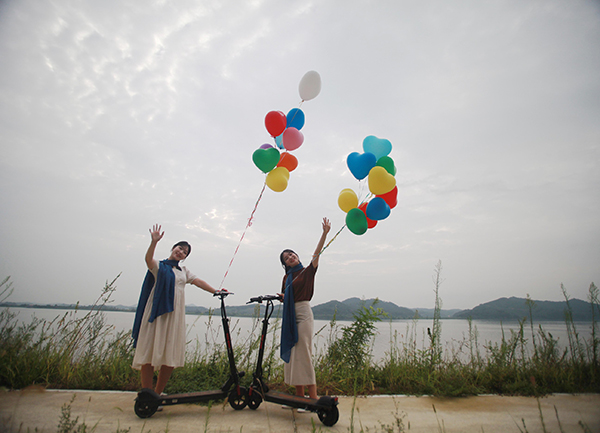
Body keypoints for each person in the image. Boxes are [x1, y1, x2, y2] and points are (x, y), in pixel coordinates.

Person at [132, 224, 217, 395]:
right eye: (180, 248)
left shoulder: (183, 271)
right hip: (155, 316)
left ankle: (157, 394)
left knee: (169, 355)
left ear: (185, 257)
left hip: (174, 317)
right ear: (173, 248)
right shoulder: (160, 266)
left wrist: (216, 291)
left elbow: (198, 281)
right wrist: (153, 242)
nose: (181, 252)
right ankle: (146, 395)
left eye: (185, 252)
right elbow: (148, 260)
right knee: (148, 352)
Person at [279, 217, 331, 400]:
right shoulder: (287, 278)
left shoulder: (307, 271)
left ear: (297, 256)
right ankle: (299, 397)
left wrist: (324, 233)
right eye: (287, 258)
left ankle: (313, 397)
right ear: (285, 264)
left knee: (304, 353)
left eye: (292, 254)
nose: (291, 257)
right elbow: (287, 299)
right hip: (290, 316)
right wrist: (282, 297)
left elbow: (316, 254)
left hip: (304, 315)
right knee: (295, 356)